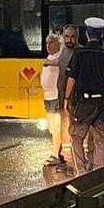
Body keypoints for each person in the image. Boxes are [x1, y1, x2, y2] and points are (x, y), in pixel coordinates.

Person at [65, 17, 104, 174]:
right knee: (100, 137)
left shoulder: (79, 53)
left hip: (84, 103)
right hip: (101, 102)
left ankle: (81, 170)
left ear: (87, 34)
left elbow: (72, 77)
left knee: (77, 137)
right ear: (101, 34)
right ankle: (99, 170)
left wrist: (67, 99)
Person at [55, 24, 80, 162]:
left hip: (75, 97)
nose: (70, 39)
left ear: (77, 37)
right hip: (62, 95)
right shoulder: (63, 51)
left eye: (73, 37)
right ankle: (65, 152)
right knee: (64, 123)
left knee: (76, 126)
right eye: (67, 36)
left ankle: (77, 155)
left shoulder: (80, 52)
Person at [41, 33, 65, 167]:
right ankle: (58, 152)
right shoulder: (50, 57)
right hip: (48, 97)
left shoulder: (60, 56)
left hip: (56, 97)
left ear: (58, 44)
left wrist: (47, 62)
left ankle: (55, 154)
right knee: (52, 128)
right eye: (47, 43)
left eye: (51, 42)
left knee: (56, 127)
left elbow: (59, 63)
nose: (48, 46)